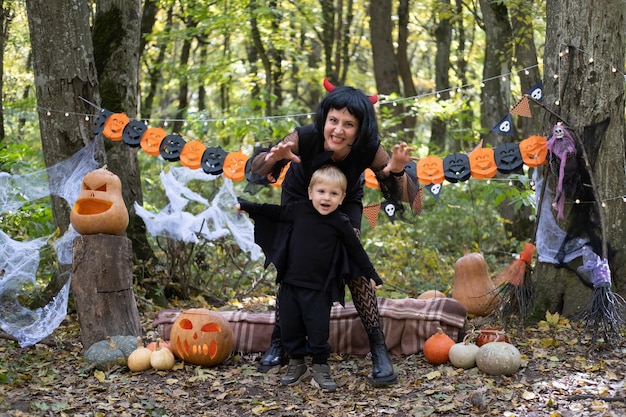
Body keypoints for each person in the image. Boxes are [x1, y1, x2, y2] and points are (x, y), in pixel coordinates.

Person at [247, 80, 421, 387]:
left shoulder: (370, 148)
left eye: (349, 124)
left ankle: (378, 349)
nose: (339, 130)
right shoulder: (305, 136)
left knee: (350, 257)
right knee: (293, 259)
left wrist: (395, 169)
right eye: (334, 120)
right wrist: (275, 157)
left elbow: (406, 196)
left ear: (360, 127)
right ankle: (280, 342)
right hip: (301, 195)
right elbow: (257, 171)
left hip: (344, 199)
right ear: (324, 118)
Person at [238, 165, 383, 392]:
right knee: (290, 326)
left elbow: (356, 250)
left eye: (333, 194)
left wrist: (371, 274)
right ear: (310, 193)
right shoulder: (299, 210)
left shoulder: (340, 221)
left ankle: (320, 366)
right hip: (290, 284)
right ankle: (297, 363)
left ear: (342, 198)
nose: (326, 198)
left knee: (318, 330)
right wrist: (245, 205)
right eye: (321, 192)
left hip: (319, 289)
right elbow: (273, 211)